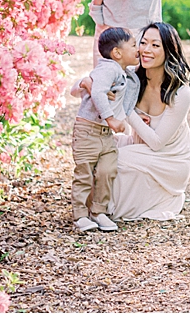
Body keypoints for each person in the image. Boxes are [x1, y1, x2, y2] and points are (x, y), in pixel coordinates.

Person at [75, 22, 190, 221]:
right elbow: (94, 90)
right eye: (144, 43)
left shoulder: (180, 93)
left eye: (155, 45)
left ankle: (105, 209)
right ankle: (92, 207)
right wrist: (88, 83)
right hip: (140, 144)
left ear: (169, 50)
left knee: (114, 160)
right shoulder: (133, 79)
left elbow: (157, 143)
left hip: (170, 158)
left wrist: (128, 112)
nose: (146, 50)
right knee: (96, 149)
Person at [70, 27, 139, 233]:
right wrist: (110, 118)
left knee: (107, 170)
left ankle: (99, 211)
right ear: (117, 53)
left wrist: (129, 115)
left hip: (105, 135)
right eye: (134, 45)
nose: (138, 49)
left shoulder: (123, 73)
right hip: (88, 130)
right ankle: (80, 215)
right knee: (84, 174)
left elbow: (119, 100)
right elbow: (98, 92)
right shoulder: (108, 69)